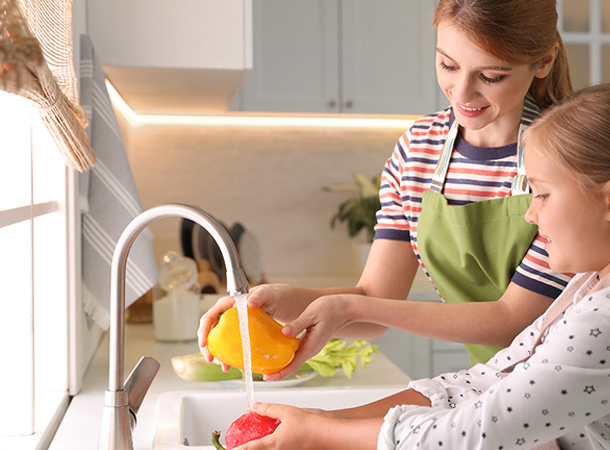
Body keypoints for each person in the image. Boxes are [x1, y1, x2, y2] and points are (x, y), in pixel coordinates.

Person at [230, 83, 610, 450]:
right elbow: (486, 382)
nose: (531, 213)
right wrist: (317, 423)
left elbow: (468, 435)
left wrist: (317, 435)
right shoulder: (595, 288)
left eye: (544, 194)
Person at [199, 0, 574, 380]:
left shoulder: (566, 157)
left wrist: (346, 308)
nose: (462, 92)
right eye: (447, 65)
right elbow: (375, 303)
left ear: (543, 62)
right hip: (501, 386)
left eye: (491, 76)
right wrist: (280, 302)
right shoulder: (418, 150)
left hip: (581, 387)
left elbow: (512, 322)